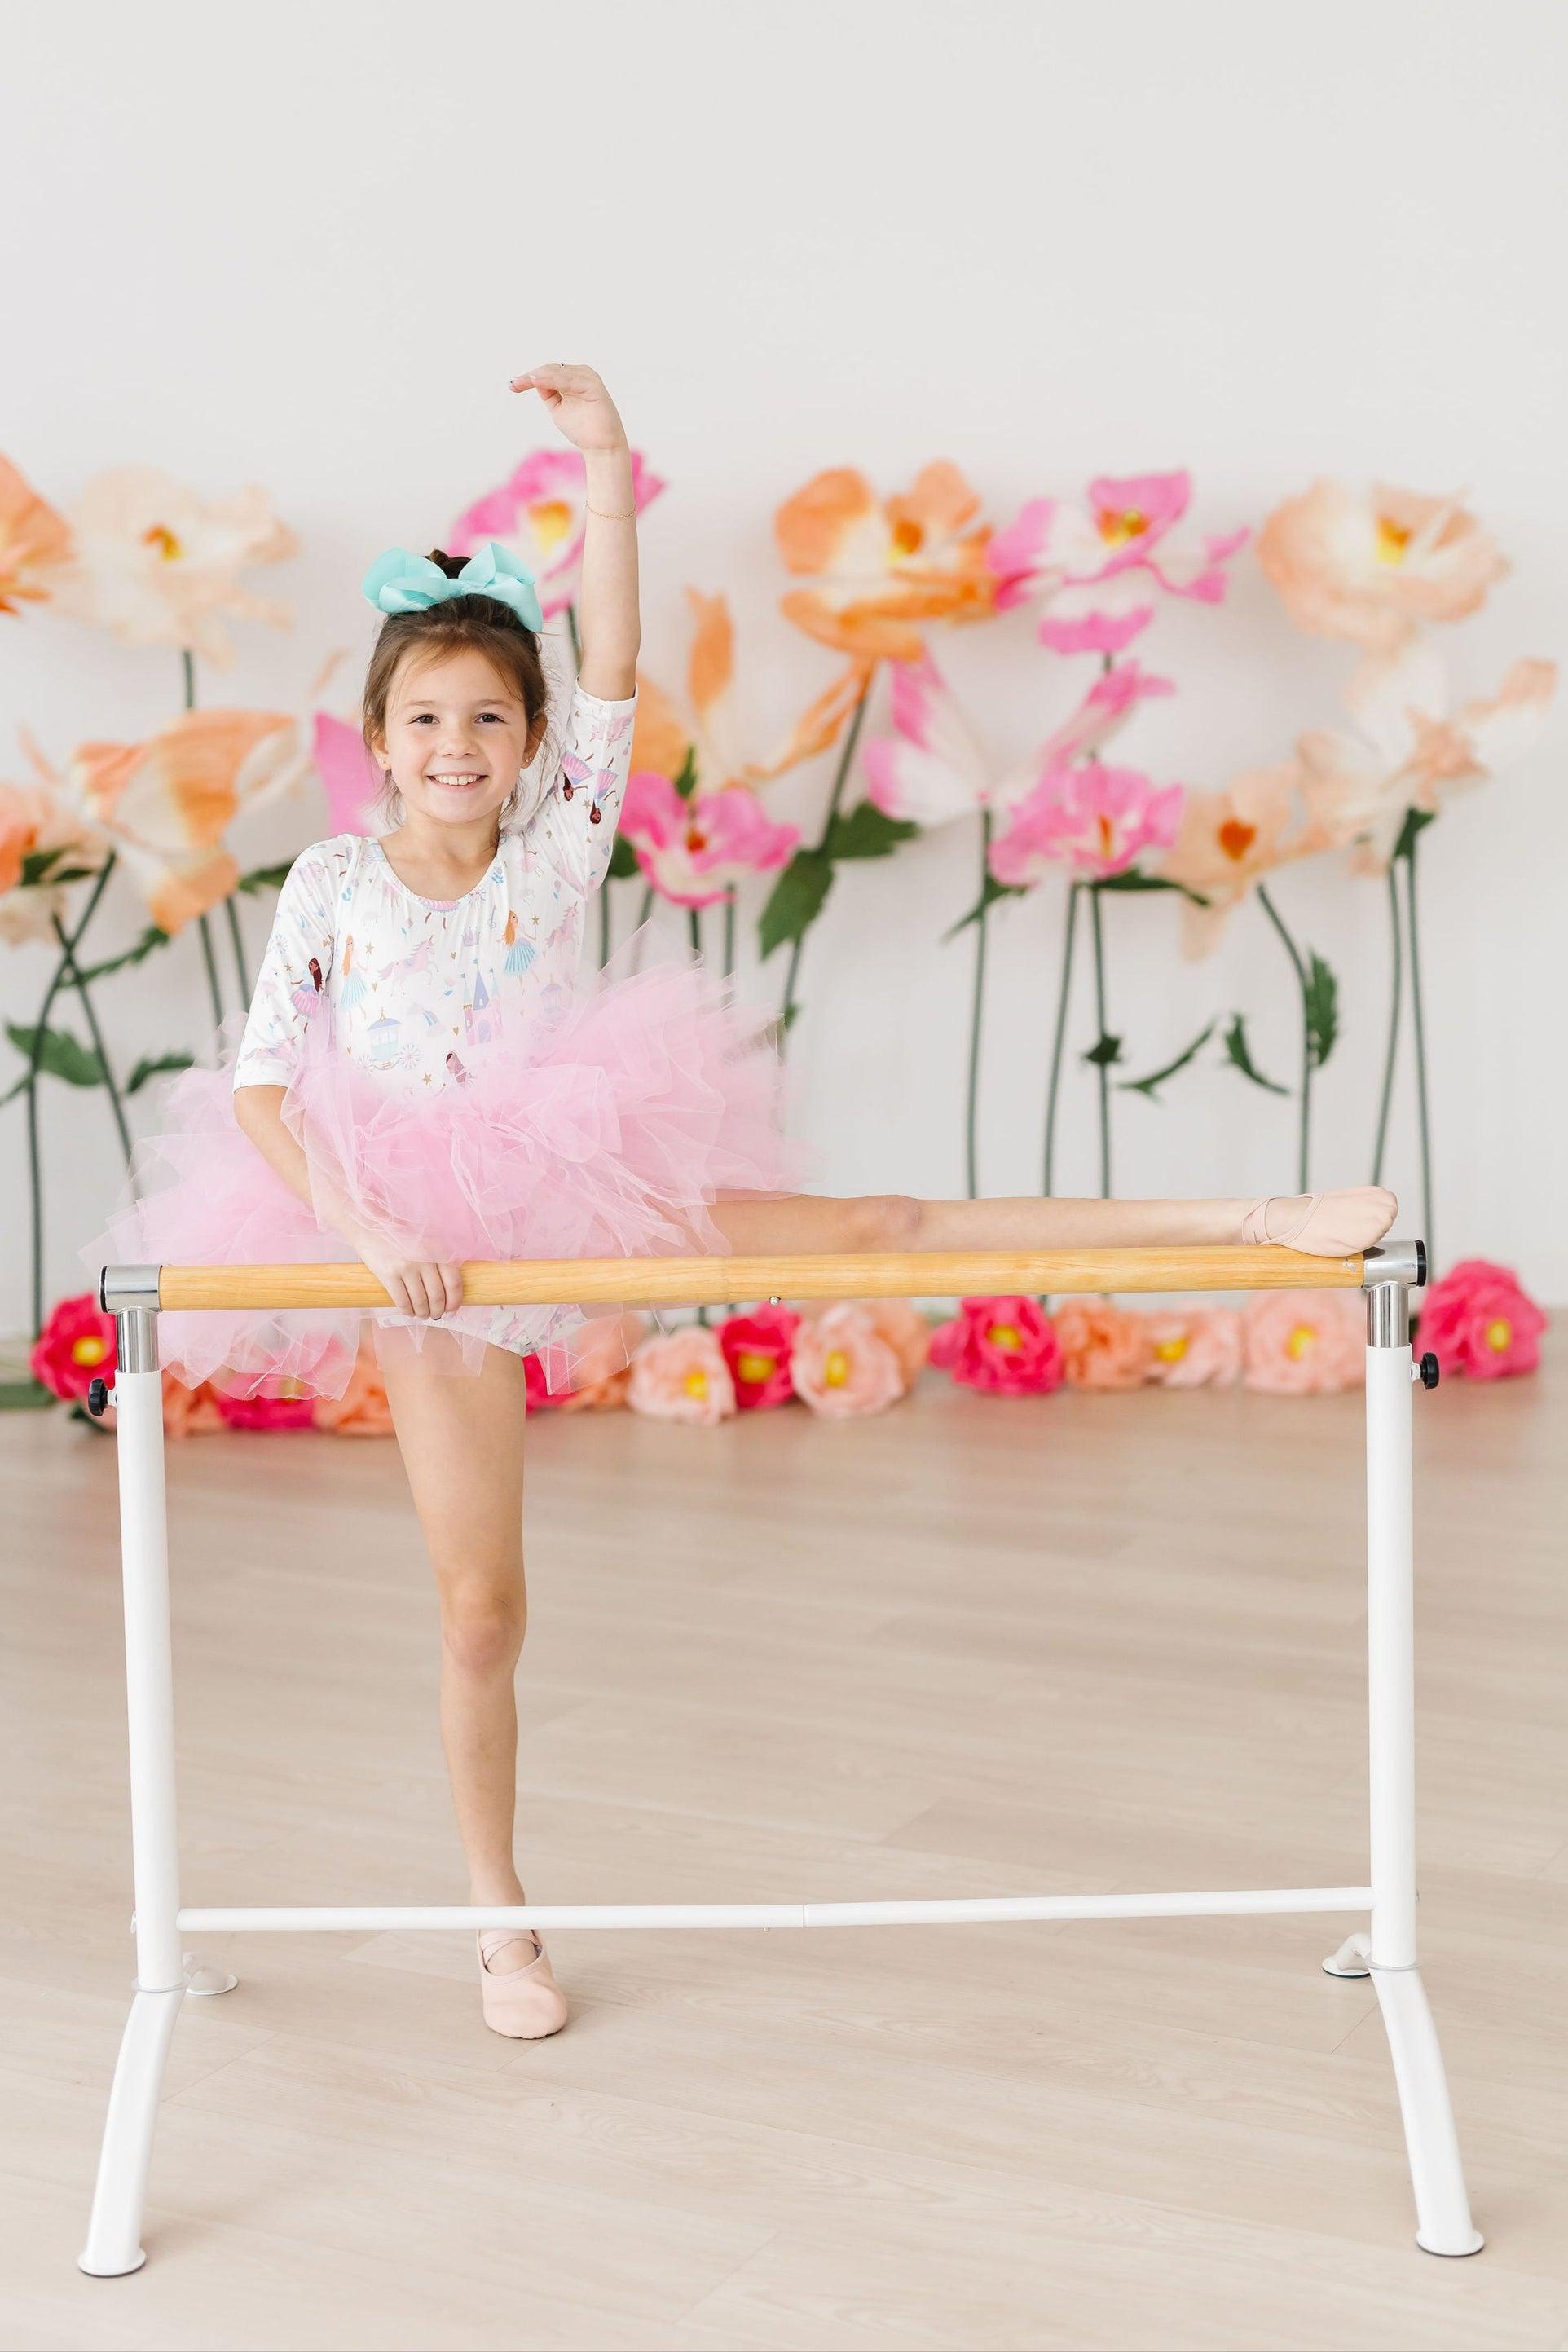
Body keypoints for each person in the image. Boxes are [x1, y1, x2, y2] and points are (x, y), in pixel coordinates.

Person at [80, 362, 1397, 2041]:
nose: (456, 746)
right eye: (425, 720)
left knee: (878, 1227)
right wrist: (372, 1231)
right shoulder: (333, 883)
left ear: (528, 742)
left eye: (487, 718)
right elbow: (265, 1085)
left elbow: (615, 664)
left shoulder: (558, 843)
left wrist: (607, 465)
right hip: (415, 1232)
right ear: (379, 742)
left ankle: (1249, 1221)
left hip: (577, 1170)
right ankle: (498, 1916)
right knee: (481, 1612)